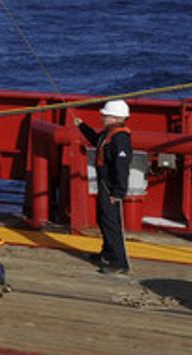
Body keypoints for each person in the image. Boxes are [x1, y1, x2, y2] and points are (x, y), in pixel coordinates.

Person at [73, 99, 133, 274]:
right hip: (104, 184)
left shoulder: (120, 139)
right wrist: (82, 126)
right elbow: (96, 140)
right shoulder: (108, 134)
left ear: (115, 118)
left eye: (105, 116)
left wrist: (119, 192)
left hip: (111, 187)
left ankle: (119, 262)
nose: (102, 118)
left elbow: (122, 167)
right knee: (103, 219)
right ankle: (107, 252)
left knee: (111, 223)